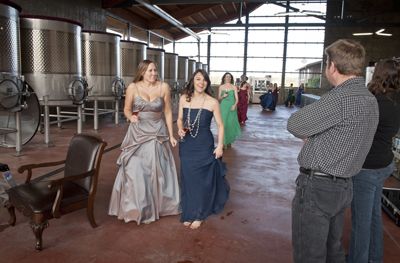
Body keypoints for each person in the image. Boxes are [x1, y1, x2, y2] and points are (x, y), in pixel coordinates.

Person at [287, 39, 379, 262]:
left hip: (318, 187)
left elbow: (295, 124)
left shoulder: (339, 98)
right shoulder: (370, 100)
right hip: (344, 185)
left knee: (309, 253)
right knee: (333, 249)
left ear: (333, 67)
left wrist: (313, 135)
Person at [109, 60, 180, 224]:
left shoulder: (164, 87)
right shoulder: (133, 87)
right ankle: (138, 207)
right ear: (142, 72)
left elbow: (168, 112)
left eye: (155, 70)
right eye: (150, 71)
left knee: (158, 169)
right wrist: (130, 116)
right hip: (138, 132)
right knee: (134, 167)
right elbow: (126, 108)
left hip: (157, 132)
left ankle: (160, 205)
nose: (154, 73)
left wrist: (171, 135)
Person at [348, 58, 400, 263]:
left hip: (367, 168)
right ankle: (374, 257)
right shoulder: (395, 100)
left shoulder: (373, 102)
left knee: (361, 221)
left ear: (378, 74)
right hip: (384, 164)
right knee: (373, 216)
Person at [177, 69, 230, 229]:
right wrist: (179, 128)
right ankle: (189, 211)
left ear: (207, 83)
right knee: (188, 179)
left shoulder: (212, 102)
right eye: (198, 79)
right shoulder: (183, 99)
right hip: (186, 144)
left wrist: (220, 145)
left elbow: (220, 125)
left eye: (204, 80)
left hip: (204, 145)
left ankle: (199, 213)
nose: (201, 82)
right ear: (193, 81)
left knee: (201, 181)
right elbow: (179, 119)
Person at [218, 72, 241, 148]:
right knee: (223, 124)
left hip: (231, 107)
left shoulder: (234, 87)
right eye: (226, 77)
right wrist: (223, 96)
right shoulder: (221, 87)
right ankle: (223, 142)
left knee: (230, 124)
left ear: (231, 78)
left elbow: (237, 99)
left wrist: (234, 105)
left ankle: (229, 140)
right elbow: (219, 99)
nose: (228, 78)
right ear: (224, 78)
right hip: (223, 107)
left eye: (229, 77)